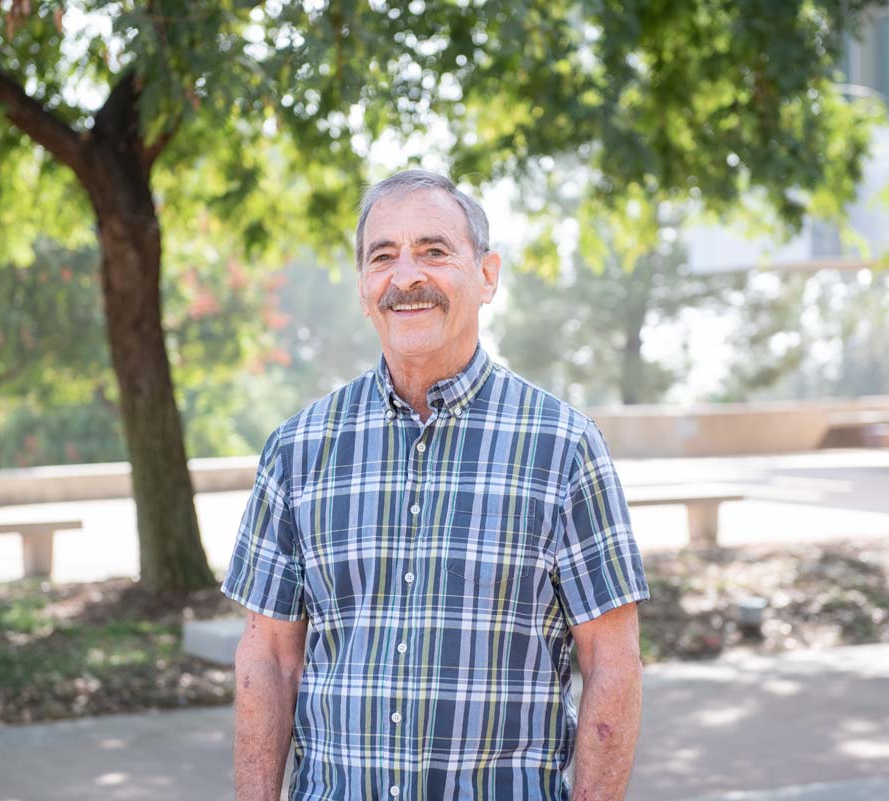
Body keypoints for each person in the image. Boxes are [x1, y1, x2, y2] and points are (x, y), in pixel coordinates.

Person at [223, 169, 650, 801]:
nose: (406, 277)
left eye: (434, 251)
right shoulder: (296, 450)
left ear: (487, 275)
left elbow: (612, 661)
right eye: (383, 257)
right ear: (364, 290)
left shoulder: (564, 448)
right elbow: (269, 661)